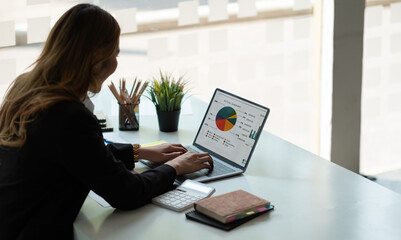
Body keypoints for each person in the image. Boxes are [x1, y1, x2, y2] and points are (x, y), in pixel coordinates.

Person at [0, 4, 213, 240]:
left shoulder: (26, 87)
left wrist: (139, 151)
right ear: (97, 61)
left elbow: (78, 156)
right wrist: (176, 167)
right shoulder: (68, 116)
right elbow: (127, 193)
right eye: (115, 54)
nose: (116, 63)